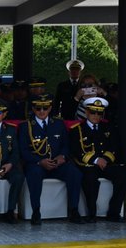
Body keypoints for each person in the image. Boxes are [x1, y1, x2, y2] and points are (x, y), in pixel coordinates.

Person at [18, 95, 84, 225]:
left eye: (45, 108)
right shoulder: (26, 126)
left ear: (50, 108)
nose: (42, 111)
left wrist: (62, 157)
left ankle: (74, 210)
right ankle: (36, 211)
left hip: (57, 163)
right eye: (38, 108)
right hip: (37, 164)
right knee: (34, 173)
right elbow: (23, 151)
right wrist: (39, 161)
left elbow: (66, 145)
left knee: (74, 173)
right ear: (33, 109)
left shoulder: (58, 124)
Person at [69, 98, 126, 223]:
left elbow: (114, 147)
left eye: (99, 113)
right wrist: (96, 160)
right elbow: (76, 151)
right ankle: (91, 214)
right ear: (86, 112)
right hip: (88, 165)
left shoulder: (108, 127)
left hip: (106, 163)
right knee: (90, 179)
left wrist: (105, 159)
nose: (96, 116)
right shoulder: (77, 129)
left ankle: (114, 213)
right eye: (92, 112)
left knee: (123, 175)